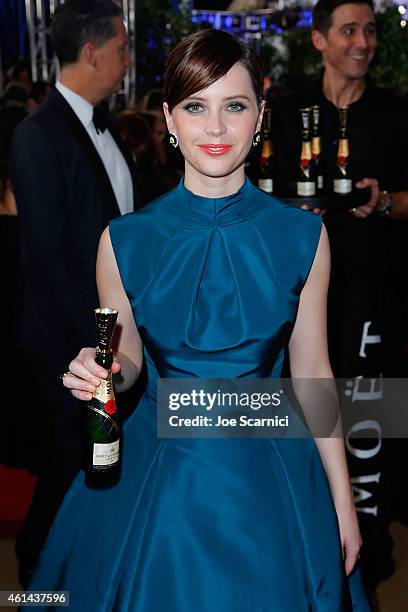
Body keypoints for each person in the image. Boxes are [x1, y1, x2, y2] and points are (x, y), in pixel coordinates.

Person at [28, 29, 369, 610]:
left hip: (271, 475)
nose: (215, 128)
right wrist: (104, 370)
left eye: (234, 106)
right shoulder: (124, 241)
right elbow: (128, 357)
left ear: (260, 115)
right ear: (168, 117)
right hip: (160, 475)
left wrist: (344, 500)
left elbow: (313, 375)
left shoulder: (305, 237)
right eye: (195, 106)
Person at [272, 0, 408, 590]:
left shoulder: (396, 114)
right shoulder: (282, 112)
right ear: (320, 39)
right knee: (302, 425)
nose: (362, 42)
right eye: (349, 30)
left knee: (366, 430)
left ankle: (368, 558)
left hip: (374, 300)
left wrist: (384, 203)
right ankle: (304, 548)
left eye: (370, 30)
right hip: (296, 303)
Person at [9, 0, 139, 587]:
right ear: (91, 52)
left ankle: (80, 580)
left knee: (96, 468)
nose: (127, 59)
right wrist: (99, 351)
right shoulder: (37, 135)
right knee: (68, 469)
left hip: (112, 341)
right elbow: (51, 260)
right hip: (72, 346)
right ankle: (37, 580)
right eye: (121, 47)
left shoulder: (108, 126)